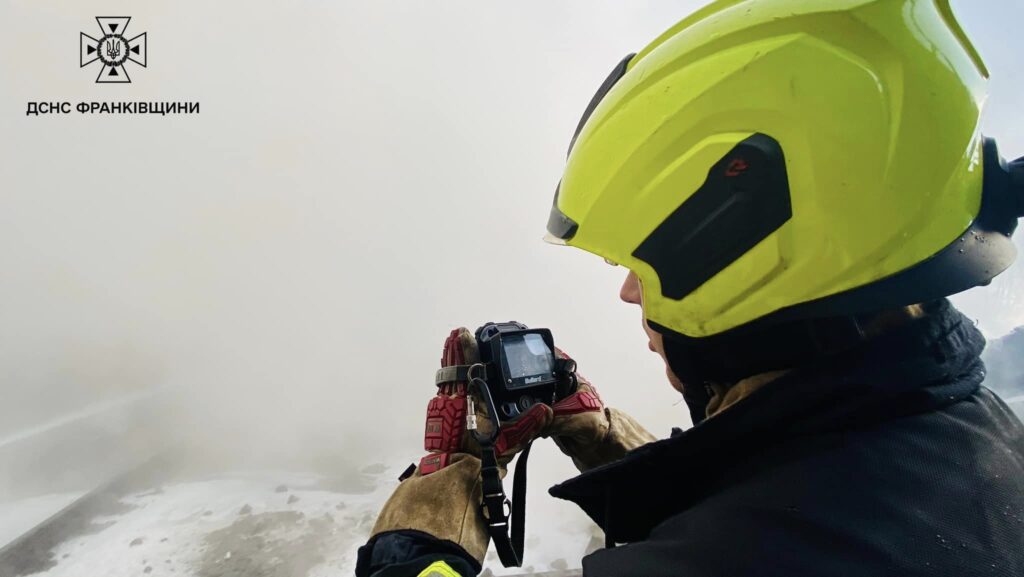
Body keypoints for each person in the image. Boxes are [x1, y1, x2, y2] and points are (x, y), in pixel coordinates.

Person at [356, 1, 1024, 575]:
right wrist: (599, 433)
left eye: (641, 266)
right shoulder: (972, 427)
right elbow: (787, 499)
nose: (626, 293)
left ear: (732, 254)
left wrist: (426, 518)